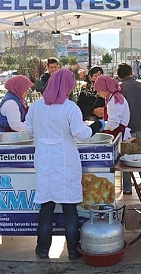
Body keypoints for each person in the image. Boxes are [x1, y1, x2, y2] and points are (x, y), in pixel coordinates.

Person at [25, 69, 104, 260]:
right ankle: (73, 251)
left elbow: (28, 131)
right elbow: (82, 135)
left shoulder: (36, 107)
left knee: (46, 208)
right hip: (66, 163)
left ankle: (42, 249)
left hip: (44, 162)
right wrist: (97, 125)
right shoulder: (70, 108)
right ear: (68, 86)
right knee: (70, 208)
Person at [117, 63, 141, 194]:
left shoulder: (119, 88)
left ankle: (127, 187)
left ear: (118, 75)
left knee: (126, 158)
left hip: (125, 128)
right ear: (131, 72)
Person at [94, 75, 131, 140]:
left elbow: (113, 124)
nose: (98, 93)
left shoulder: (115, 100)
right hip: (114, 133)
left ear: (105, 88)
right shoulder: (111, 98)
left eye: (99, 90)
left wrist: (101, 124)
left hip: (117, 134)